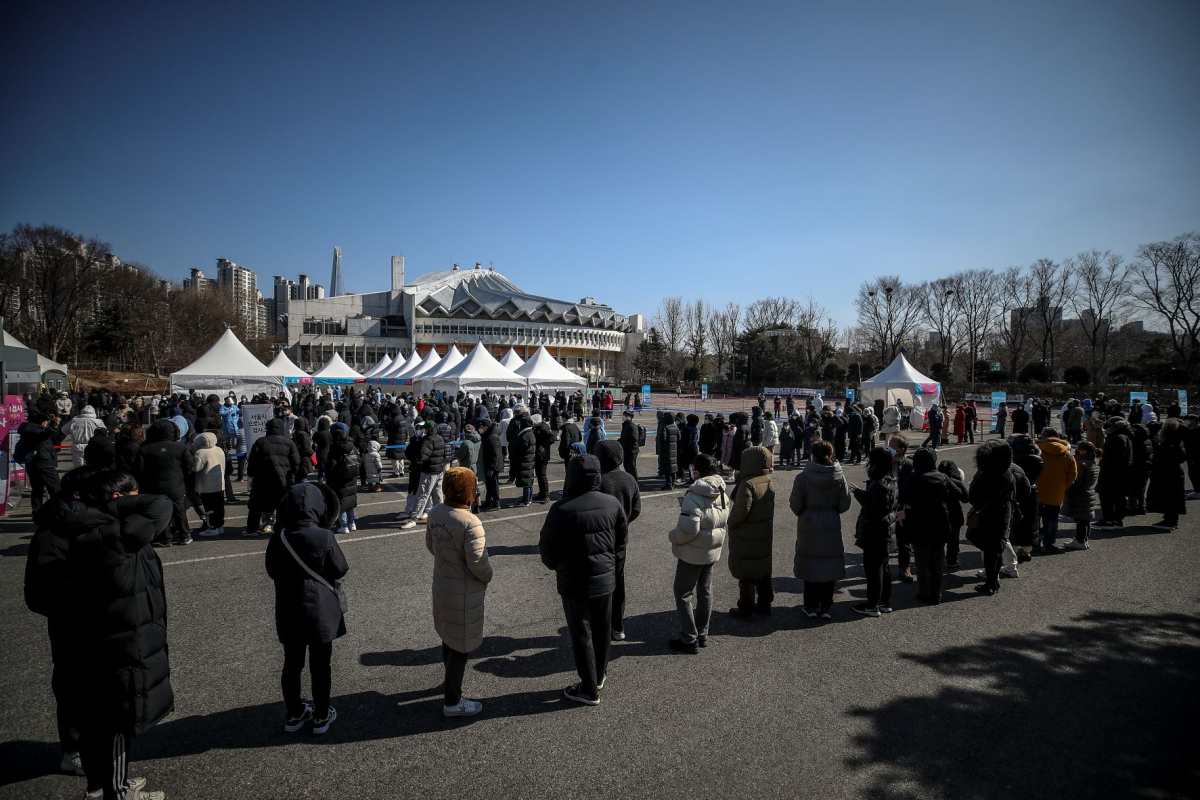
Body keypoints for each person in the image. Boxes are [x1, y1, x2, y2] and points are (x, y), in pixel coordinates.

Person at [67, 470, 173, 800]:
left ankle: (105, 785)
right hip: (122, 638)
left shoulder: (89, 530)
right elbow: (160, 504)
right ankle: (117, 791)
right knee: (115, 721)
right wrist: (121, 503)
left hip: (109, 632)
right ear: (118, 499)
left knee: (105, 719)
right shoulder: (112, 535)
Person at [25, 466, 102, 778]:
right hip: (73, 625)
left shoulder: (87, 520)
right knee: (74, 687)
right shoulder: (53, 533)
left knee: (97, 689)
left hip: (97, 622)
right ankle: (75, 751)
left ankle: (93, 748)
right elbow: (40, 594)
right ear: (78, 495)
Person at [538, 455, 628, 705]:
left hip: (574, 582)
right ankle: (598, 677)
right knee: (601, 630)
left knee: (582, 634)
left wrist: (557, 566)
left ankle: (589, 689)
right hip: (606, 578)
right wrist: (611, 565)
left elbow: (547, 549)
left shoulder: (561, 508)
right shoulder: (611, 503)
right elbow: (621, 541)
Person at [265, 482, 348, 736]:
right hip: (319, 609)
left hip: (288, 609)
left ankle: (294, 713)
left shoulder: (278, 538)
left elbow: (271, 571)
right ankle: (322, 715)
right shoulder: (323, 536)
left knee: (292, 664)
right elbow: (340, 568)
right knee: (320, 665)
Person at [427, 467, 493, 717]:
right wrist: (489, 575)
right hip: (464, 591)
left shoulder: (436, 512)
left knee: (448, 635)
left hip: (443, 583)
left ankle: (449, 683)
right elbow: (478, 562)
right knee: (461, 645)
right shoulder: (469, 521)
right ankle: (453, 700)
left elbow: (431, 546)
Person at [667, 453, 729, 653]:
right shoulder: (722, 493)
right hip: (712, 549)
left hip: (692, 552)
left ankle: (688, 637)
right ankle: (702, 633)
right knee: (705, 591)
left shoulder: (693, 495)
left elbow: (688, 530)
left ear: (698, 472)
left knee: (683, 593)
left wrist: (672, 536)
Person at [790, 439, 851, 619]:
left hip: (808, 521)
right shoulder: (839, 476)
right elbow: (844, 503)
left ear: (813, 455)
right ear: (831, 455)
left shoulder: (803, 477)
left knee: (810, 562)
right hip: (831, 520)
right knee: (829, 561)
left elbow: (795, 504)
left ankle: (810, 605)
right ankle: (826, 605)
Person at [899, 447, 957, 604]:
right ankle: (936, 593)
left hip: (919, 523)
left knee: (922, 561)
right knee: (938, 560)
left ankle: (924, 592)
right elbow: (958, 493)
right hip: (941, 522)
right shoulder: (942, 477)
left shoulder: (913, 478)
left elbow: (902, 496)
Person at [596, 440, 641, 640]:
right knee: (618, 581)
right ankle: (618, 625)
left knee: (597, 582)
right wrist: (625, 521)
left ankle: (600, 626)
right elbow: (637, 509)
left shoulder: (598, 480)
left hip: (598, 539)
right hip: (620, 539)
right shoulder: (629, 479)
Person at [726, 448, 775, 619]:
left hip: (746, 534)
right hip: (763, 532)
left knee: (746, 574)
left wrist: (729, 523)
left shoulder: (747, 484)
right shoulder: (767, 480)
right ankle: (765, 603)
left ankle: (746, 607)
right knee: (762, 569)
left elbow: (740, 512)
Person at [850, 447, 900, 616]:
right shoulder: (891, 481)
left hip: (875, 532)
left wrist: (858, 494)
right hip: (886, 531)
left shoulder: (879, 485)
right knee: (883, 567)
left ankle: (872, 604)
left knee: (873, 570)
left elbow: (874, 508)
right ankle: (884, 601)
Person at [968, 440, 1017, 594]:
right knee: (995, 551)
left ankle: (990, 584)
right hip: (1003, 515)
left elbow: (973, 497)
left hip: (987, 517)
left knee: (989, 552)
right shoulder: (1008, 473)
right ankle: (993, 581)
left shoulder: (986, 475)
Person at [139, 419, 197, 546]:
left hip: (154, 485)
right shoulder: (180, 447)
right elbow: (189, 466)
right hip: (176, 484)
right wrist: (182, 477)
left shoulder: (145, 448)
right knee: (179, 510)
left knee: (161, 511)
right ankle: (184, 535)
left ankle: (165, 538)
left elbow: (140, 469)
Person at [246, 417, 303, 536]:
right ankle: (282, 526)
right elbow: (296, 462)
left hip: (262, 479)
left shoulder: (260, 442)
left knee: (256, 504)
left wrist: (251, 474)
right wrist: (293, 474)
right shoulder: (289, 442)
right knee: (283, 504)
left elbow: (252, 461)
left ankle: (252, 528)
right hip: (283, 479)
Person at [1034, 429, 1078, 553]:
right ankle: (1049, 544)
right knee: (1052, 520)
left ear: (1043, 436)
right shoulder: (1067, 454)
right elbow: (1072, 475)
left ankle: (1034, 543)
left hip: (1036, 491)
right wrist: (1062, 487)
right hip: (1056, 493)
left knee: (1034, 520)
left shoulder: (1036, 451)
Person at [18, 410, 64, 514]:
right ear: (41, 422)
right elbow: (43, 434)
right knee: (55, 488)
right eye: (45, 421)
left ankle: (37, 512)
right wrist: (54, 426)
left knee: (37, 490)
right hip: (43, 462)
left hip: (33, 463)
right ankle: (57, 511)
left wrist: (51, 422)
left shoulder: (28, 428)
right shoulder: (34, 430)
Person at [402, 421, 447, 528]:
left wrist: (413, 466)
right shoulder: (440, 438)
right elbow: (444, 454)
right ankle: (442, 516)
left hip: (428, 471)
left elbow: (423, 457)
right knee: (438, 495)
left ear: (427, 429)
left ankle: (414, 519)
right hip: (439, 470)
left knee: (422, 495)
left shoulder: (428, 440)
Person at [1146, 418, 1187, 531]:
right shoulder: (1178, 441)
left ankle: (1169, 521)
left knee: (1169, 496)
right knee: (1174, 497)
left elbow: (1162, 459)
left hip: (1167, 473)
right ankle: (1171, 519)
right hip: (1175, 472)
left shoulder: (1169, 444)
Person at [1095, 417, 1133, 529]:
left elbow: (1115, 458)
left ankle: (1109, 520)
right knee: (1118, 497)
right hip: (1120, 473)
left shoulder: (1118, 439)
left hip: (1112, 473)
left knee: (1108, 496)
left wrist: (1104, 463)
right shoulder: (1124, 437)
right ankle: (1115, 520)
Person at [1062, 440, 1099, 550]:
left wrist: (1066, 491)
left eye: (1078, 449)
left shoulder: (1081, 464)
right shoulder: (1093, 462)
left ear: (1083, 451)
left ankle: (1080, 540)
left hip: (1080, 495)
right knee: (1085, 520)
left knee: (1081, 520)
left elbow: (1076, 482)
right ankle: (1083, 539)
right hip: (1089, 493)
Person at [324, 425, 361, 533]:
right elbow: (358, 460)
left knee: (341, 504)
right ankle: (352, 523)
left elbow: (331, 465)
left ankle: (343, 525)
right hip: (352, 477)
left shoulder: (335, 448)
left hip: (339, 479)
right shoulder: (353, 447)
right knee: (350, 502)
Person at [193, 432, 227, 536]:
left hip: (206, 486)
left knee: (209, 508)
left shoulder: (200, 453)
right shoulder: (219, 449)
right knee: (219, 506)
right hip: (219, 483)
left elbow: (195, 468)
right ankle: (220, 526)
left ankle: (212, 527)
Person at [479, 420, 503, 512]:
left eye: (482, 426)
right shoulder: (488, 435)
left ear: (486, 427)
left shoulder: (492, 437)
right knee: (489, 485)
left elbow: (495, 454)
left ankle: (496, 502)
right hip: (490, 464)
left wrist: (491, 468)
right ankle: (488, 501)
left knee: (493, 484)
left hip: (493, 466)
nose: (480, 428)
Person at [657, 411, 679, 490]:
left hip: (666, 450)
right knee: (673, 467)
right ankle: (673, 483)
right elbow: (679, 438)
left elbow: (662, 439)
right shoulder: (675, 427)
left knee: (667, 468)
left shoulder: (665, 427)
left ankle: (668, 484)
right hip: (674, 449)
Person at [618, 410, 640, 480]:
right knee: (627, 467)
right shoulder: (625, 425)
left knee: (631, 467)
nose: (623, 417)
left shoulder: (632, 426)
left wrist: (624, 443)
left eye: (625, 415)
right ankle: (630, 481)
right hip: (626, 449)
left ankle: (634, 482)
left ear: (630, 417)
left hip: (631, 450)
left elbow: (634, 439)